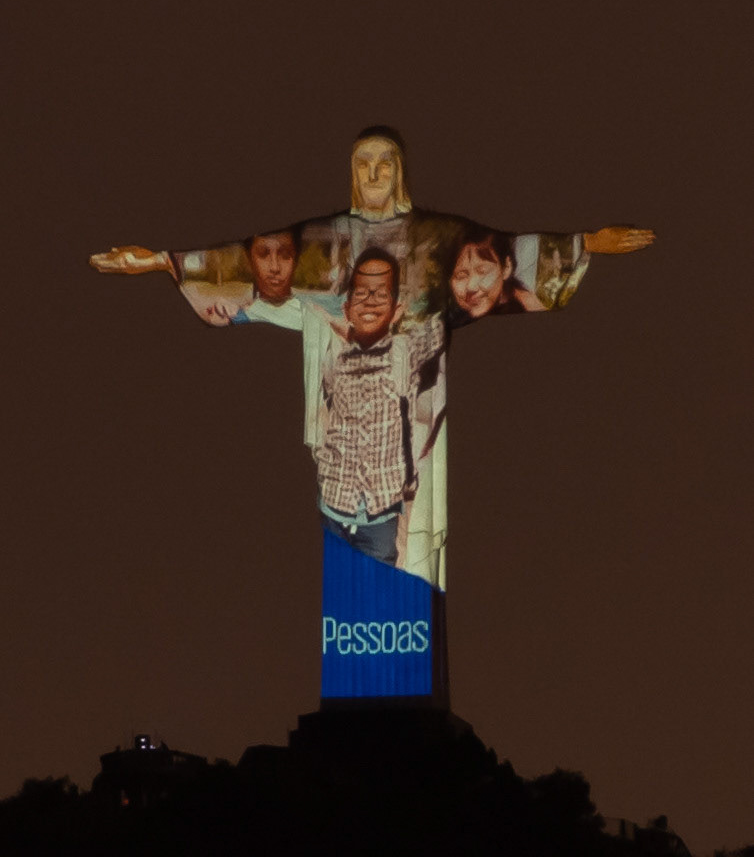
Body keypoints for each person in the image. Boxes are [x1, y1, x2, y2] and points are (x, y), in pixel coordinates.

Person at [90, 125, 656, 704]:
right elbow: (249, 262)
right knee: (351, 574)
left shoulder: (437, 238)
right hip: (341, 462)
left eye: (386, 163)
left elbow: (505, 257)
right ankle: (366, 696)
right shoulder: (320, 240)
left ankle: (401, 695)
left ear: (402, 170)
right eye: (363, 163)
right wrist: (164, 262)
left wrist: (584, 243)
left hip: (404, 454)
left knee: (405, 565)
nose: (375, 175)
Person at [317, 248, 444, 566]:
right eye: (361, 293)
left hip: (382, 510)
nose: (371, 301)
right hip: (332, 503)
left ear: (398, 309)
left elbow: (457, 313)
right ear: (346, 308)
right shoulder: (334, 356)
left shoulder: (407, 350)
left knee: (376, 595)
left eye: (381, 293)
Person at [449, 225, 544, 324]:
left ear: (506, 267)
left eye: (482, 272)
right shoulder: (449, 317)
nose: (471, 287)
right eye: (461, 275)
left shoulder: (530, 313)